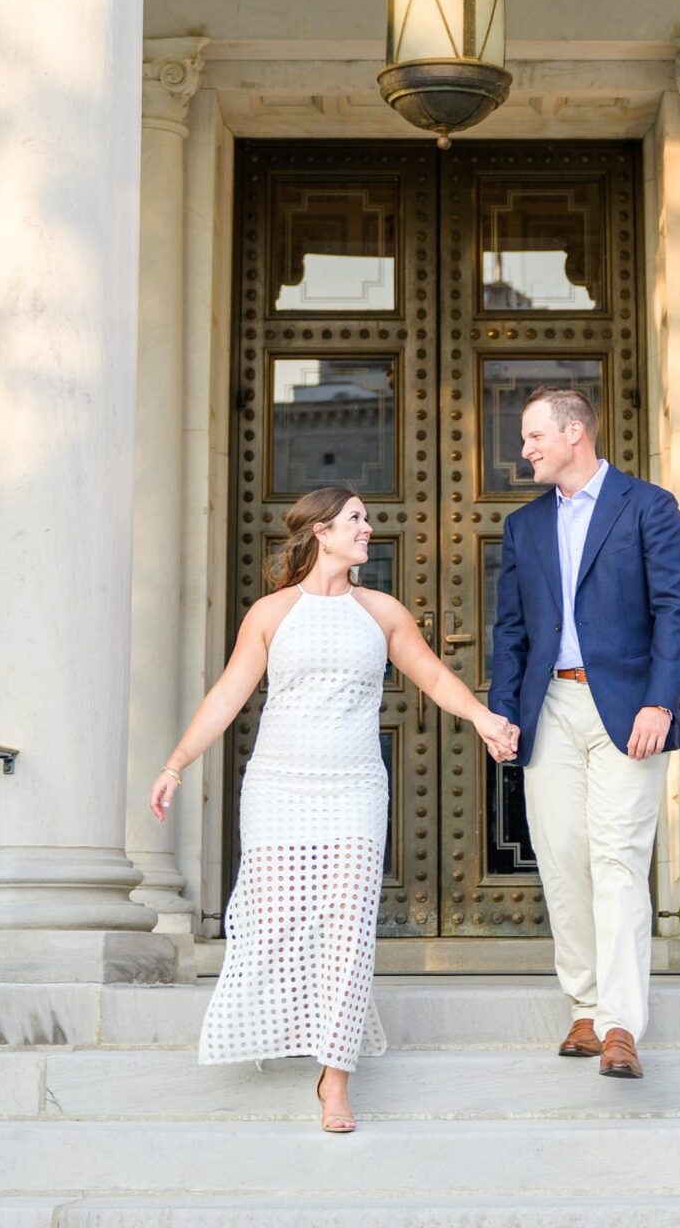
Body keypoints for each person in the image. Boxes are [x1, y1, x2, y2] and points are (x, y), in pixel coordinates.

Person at [150, 481, 518, 1135]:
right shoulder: (270, 613)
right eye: (356, 519)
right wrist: (176, 762)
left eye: (368, 519)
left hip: (353, 789)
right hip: (278, 788)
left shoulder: (380, 612)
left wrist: (483, 717)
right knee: (281, 921)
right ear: (320, 531)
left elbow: (432, 677)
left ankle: (335, 1076)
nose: (368, 528)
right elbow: (229, 694)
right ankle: (293, 1025)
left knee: (347, 933)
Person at [488, 388, 680, 1080]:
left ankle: (618, 1026)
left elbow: (675, 611)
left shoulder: (648, 507)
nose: (525, 451)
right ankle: (583, 1005)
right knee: (563, 860)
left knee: (616, 860)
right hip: (548, 708)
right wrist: (503, 717)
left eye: (533, 437)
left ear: (574, 433)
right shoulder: (522, 528)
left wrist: (659, 703)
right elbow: (511, 633)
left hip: (630, 711)